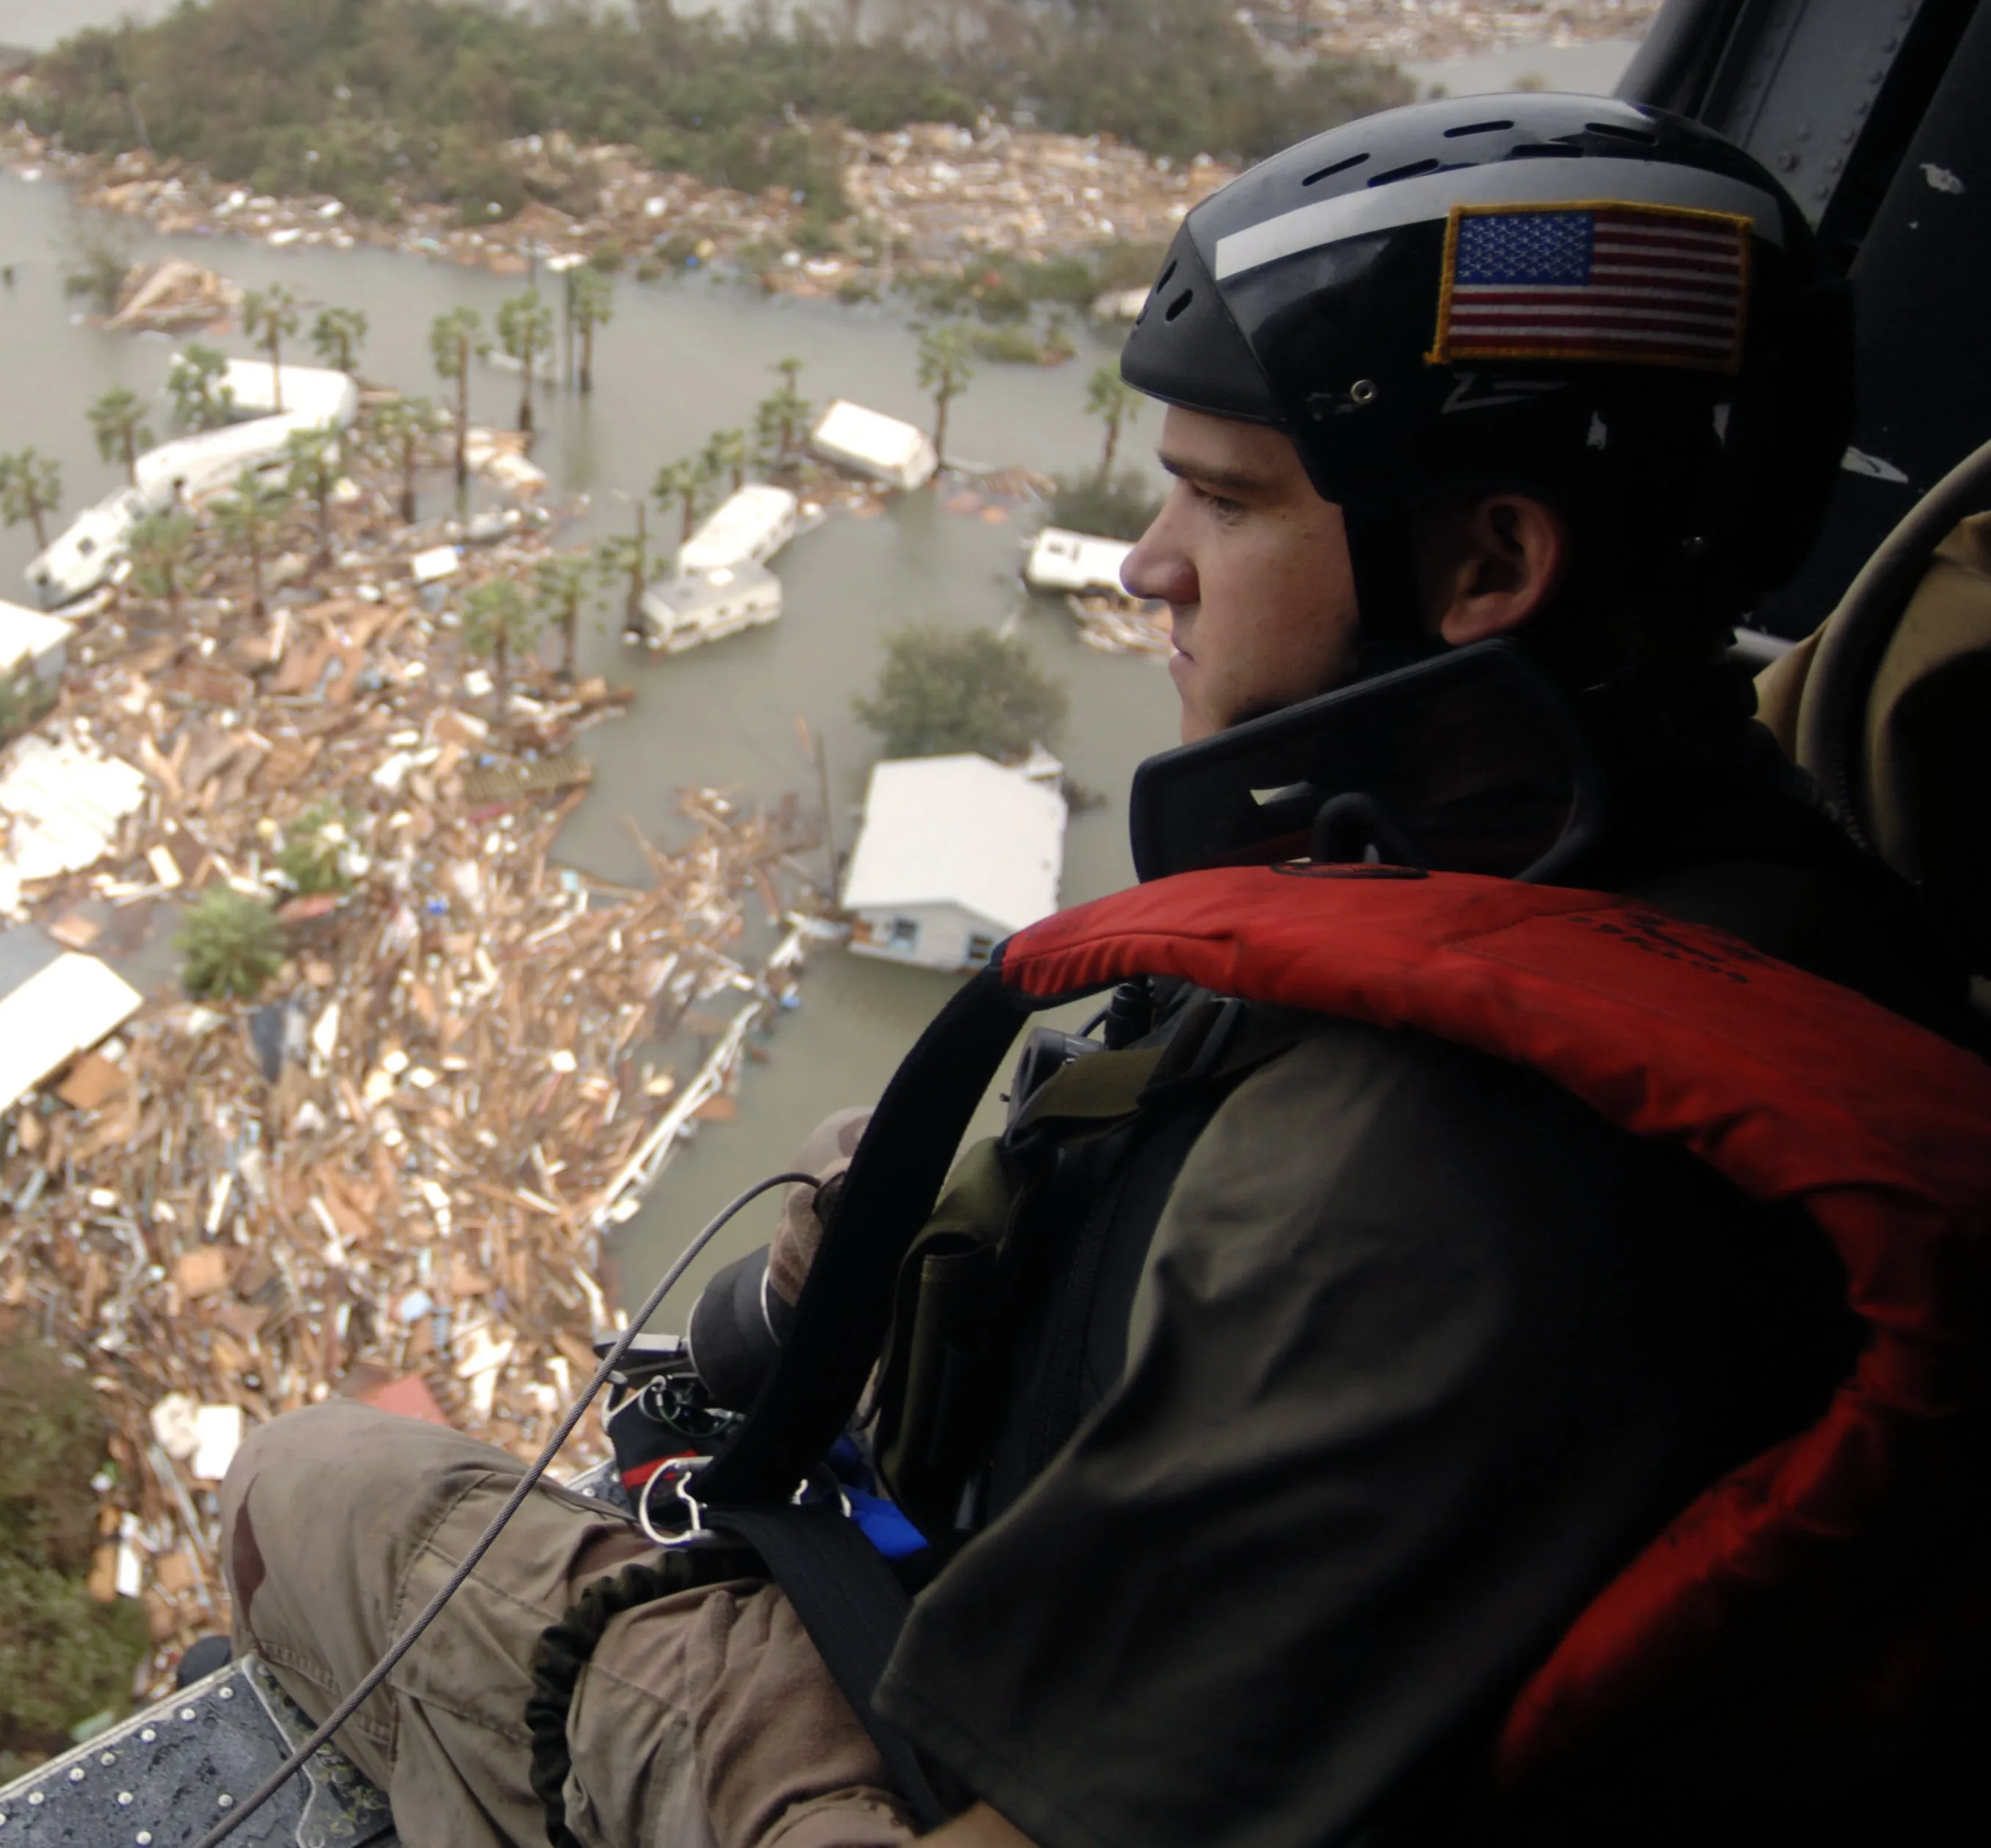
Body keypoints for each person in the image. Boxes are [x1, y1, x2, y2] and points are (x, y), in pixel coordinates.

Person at [221, 95, 1976, 1848]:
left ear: (1487, 566)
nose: (1148, 567)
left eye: (1220, 501)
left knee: (314, 1483)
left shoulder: (1402, 1187)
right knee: (862, 1158)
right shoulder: (1760, 849)